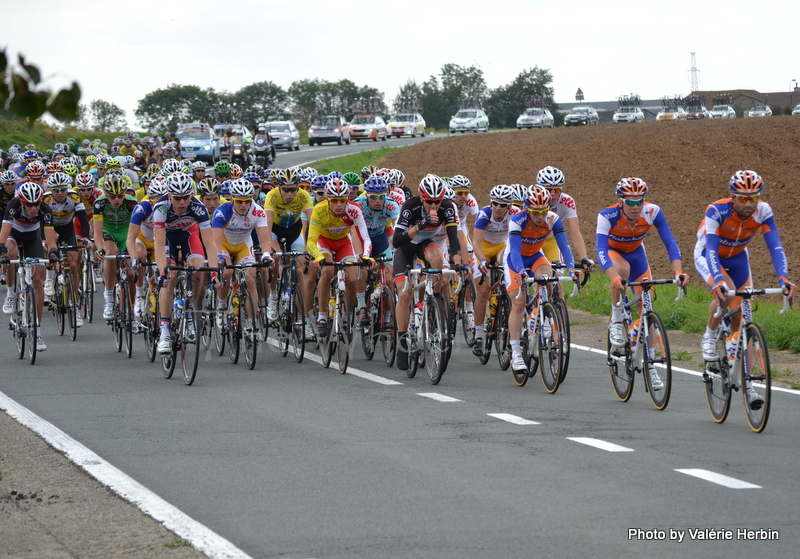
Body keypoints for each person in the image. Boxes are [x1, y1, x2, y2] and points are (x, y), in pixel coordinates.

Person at [694, 170, 795, 409]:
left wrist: (784, 279)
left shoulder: (763, 211)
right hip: (710, 255)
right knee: (727, 292)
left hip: (739, 258)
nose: (749, 203)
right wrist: (717, 282)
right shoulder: (716, 211)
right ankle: (709, 335)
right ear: (733, 196)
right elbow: (711, 250)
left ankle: (749, 388)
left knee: (743, 318)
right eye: (743, 198)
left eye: (754, 197)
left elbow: (775, 246)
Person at [596, 177, 690, 390]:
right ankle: (617, 320)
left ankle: (652, 365)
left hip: (637, 254)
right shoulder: (607, 215)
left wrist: (678, 271)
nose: (636, 206)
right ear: (621, 201)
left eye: (640, 201)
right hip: (614, 253)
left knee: (646, 309)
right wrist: (614, 278)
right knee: (622, 271)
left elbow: (670, 242)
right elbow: (601, 250)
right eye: (630, 202)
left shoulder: (653, 212)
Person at [392, 174, 462, 372]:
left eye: (437, 201)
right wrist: (420, 225)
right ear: (421, 198)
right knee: (404, 294)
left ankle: (433, 301)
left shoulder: (448, 207)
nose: (434, 205)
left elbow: (453, 238)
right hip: (405, 249)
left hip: (424, 244)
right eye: (429, 201)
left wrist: (457, 262)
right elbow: (396, 240)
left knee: (438, 260)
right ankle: (403, 343)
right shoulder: (410, 206)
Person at [506, 186, 578, 374]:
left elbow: (565, 246)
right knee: (519, 303)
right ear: (527, 208)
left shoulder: (552, 220)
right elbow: (514, 250)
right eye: (536, 212)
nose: (540, 216)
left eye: (544, 211)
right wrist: (521, 271)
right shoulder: (517, 220)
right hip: (515, 260)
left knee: (548, 279)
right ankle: (516, 354)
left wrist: (571, 268)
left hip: (536, 256)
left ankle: (543, 317)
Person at [153, 172, 218, 355]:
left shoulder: (198, 207)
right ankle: (165, 333)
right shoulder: (161, 207)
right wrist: (161, 272)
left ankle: (190, 315)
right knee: (170, 277)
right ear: (169, 195)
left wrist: (214, 274)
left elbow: (210, 244)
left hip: (189, 235)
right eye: (177, 198)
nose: (182, 203)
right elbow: (158, 243)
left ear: (192, 195)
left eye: (186, 197)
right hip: (167, 238)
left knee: (198, 269)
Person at [306, 178, 372, 338]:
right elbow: (311, 240)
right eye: (334, 200)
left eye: (342, 200)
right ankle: (322, 316)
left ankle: (346, 315)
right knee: (327, 271)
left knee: (352, 278)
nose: (338, 205)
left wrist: (365, 256)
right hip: (324, 242)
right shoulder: (319, 210)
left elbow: (365, 237)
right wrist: (318, 256)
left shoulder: (354, 209)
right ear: (328, 199)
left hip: (343, 242)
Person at [0, 182, 59, 351]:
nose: (33, 208)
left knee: (37, 280)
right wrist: (1, 251)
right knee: (11, 254)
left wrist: (53, 252)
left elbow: (49, 236)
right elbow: (4, 232)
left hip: (33, 236)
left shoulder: (45, 210)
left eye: (36, 204)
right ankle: (11, 293)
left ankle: (37, 331)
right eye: (29, 205)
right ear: (22, 202)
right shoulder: (13, 205)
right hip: (14, 233)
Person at [211, 178, 272, 330]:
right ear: (232, 199)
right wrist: (219, 258)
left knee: (250, 280)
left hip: (244, 245)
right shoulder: (222, 212)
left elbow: (265, 240)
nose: (244, 205)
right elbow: (216, 243)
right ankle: (222, 305)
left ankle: (252, 324)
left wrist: (266, 255)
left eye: (247, 201)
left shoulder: (258, 211)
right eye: (239, 201)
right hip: (224, 245)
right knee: (227, 271)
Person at [471, 184, 520, 356]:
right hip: (482, 249)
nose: (498, 208)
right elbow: (476, 243)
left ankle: (502, 303)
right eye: (495, 203)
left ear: (510, 206)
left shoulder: (515, 214)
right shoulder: (484, 214)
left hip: (501, 247)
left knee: (506, 264)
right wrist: (482, 260)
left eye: (503, 205)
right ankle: (478, 334)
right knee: (483, 292)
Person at [353, 175, 401, 323]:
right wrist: (359, 253)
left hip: (380, 240)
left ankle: (387, 315)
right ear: (366, 194)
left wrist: (396, 248)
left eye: (382, 196)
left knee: (388, 278)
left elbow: (398, 227)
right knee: (362, 271)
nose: (378, 201)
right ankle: (362, 307)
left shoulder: (391, 205)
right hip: (361, 239)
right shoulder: (358, 205)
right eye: (373, 197)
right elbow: (351, 230)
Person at [92, 174, 138, 320]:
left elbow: (137, 229)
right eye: (112, 197)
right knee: (110, 254)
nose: (116, 200)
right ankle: (110, 300)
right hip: (108, 232)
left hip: (126, 234)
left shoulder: (132, 203)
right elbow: (97, 233)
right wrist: (99, 249)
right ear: (106, 195)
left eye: (120, 196)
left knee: (131, 274)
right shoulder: (100, 204)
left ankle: (131, 311)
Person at [535, 166, 595, 272]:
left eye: (556, 190)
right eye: (548, 190)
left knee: (557, 276)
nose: (553, 193)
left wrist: (584, 258)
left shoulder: (567, 201)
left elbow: (575, 233)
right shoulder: (532, 200)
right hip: (531, 240)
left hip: (550, 239)